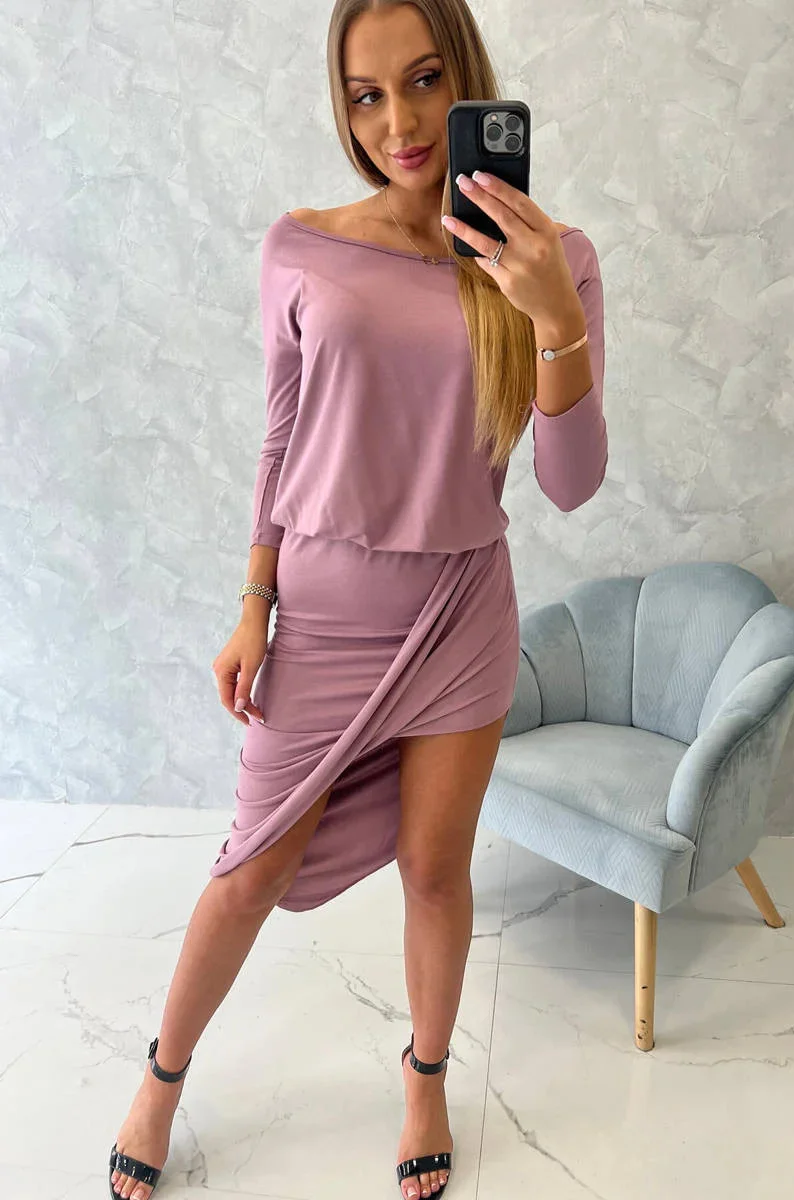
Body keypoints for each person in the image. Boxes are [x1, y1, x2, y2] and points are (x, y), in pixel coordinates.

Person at [108, 2, 608, 1198]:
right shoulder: (300, 247)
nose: (399, 122)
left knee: (434, 870)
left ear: (466, 78)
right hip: (325, 613)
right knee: (246, 870)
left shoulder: (549, 257)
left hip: (460, 611)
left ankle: (424, 1075)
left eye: (424, 81)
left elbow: (569, 482)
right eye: (366, 95)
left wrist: (553, 317)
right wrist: (253, 601)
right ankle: (161, 1076)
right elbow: (281, 439)